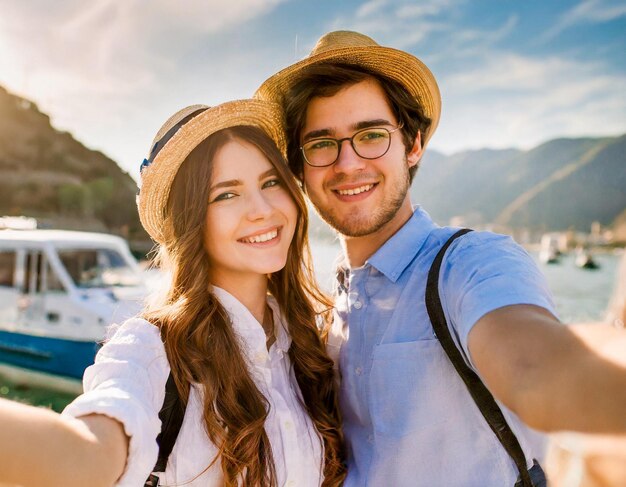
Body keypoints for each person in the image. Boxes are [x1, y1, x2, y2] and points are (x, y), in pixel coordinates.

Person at [255, 30, 626, 486]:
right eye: (321, 144)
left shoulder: (471, 264)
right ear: (299, 169)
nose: (347, 163)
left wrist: (605, 387)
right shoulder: (324, 312)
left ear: (413, 146)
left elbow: (533, 367)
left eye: (371, 135)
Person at [0, 99, 346, 486]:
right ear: (190, 220)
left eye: (271, 182)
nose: (262, 209)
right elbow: (92, 450)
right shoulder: (152, 348)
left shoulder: (316, 342)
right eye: (226, 194)